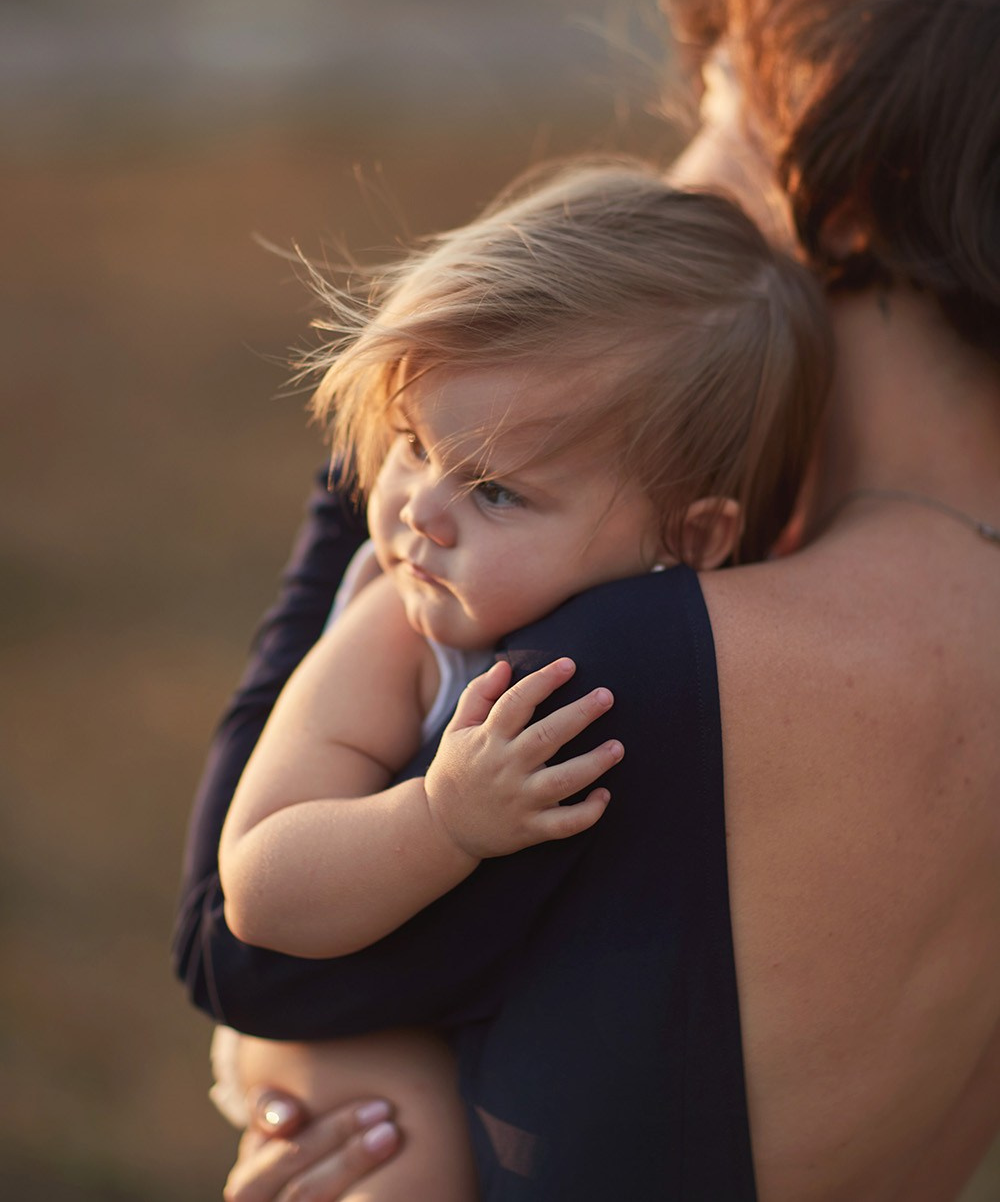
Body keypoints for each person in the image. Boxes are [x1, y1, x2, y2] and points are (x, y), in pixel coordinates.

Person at [174, 0, 1000, 1202]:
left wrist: (373, 462)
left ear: (867, 176)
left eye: (729, 114)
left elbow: (236, 947)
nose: (678, 173)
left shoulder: (627, 669)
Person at [210, 164, 831, 1202]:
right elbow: (259, 890)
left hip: (513, 1019)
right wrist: (439, 819)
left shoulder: (724, 637)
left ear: (694, 536)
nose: (419, 511)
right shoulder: (402, 630)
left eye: (495, 490)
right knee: (405, 1159)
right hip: (346, 1017)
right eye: (412, 444)